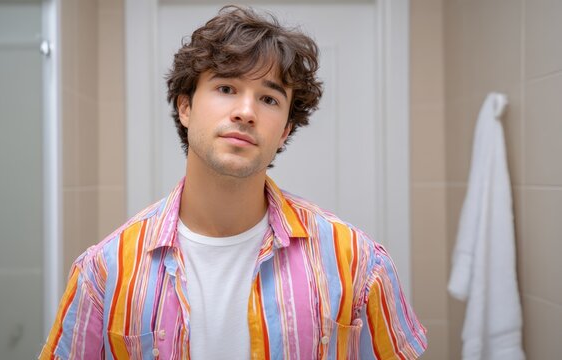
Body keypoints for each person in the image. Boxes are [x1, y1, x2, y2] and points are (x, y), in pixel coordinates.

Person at [40, 5, 427, 360]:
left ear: (286, 129)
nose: (246, 112)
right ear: (186, 106)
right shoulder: (104, 272)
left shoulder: (359, 263)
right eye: (226, 89)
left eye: (269, 100)